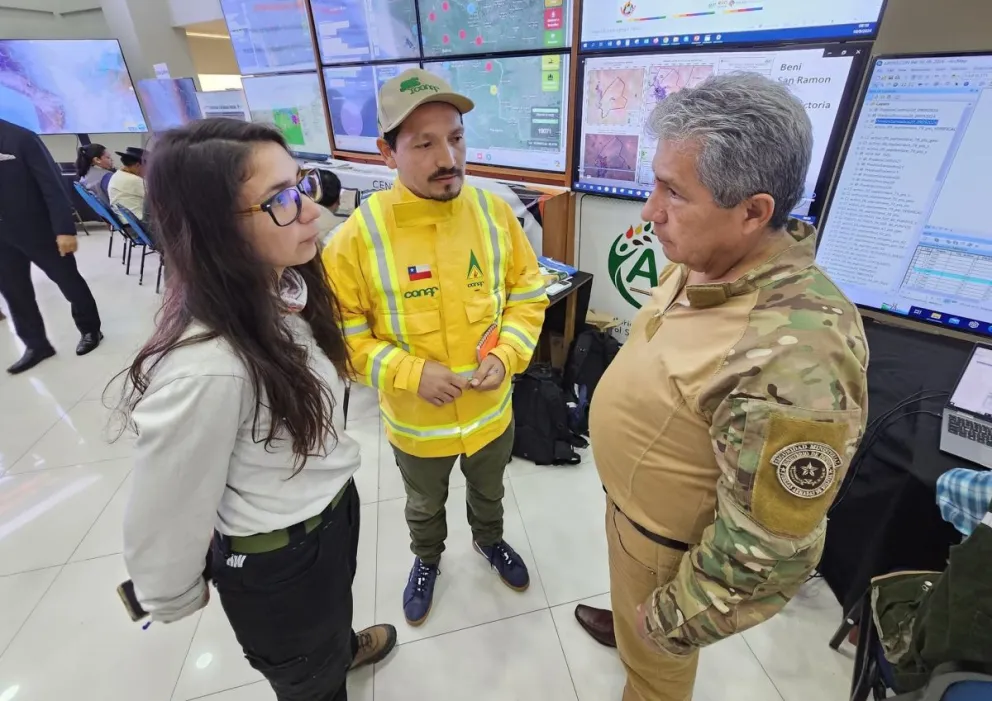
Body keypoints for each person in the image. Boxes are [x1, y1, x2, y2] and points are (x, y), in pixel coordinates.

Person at [573, 73, 869, 701]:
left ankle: (645, 641)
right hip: (635, 520)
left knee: (655, 673)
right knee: (636, 621)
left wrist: (672, 620)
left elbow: (769, 549)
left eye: (673, 192)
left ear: (753, 212)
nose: (650, 212)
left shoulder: (796, 357)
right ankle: (631, 621)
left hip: (671, 552)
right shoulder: (710, 258)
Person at [118, 119, 397, 701]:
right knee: (308, 680)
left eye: (303, 186)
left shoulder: (282, 287)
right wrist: (170, 595)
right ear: (214, 228)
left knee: (330, 621)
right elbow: (164, 509)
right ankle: (320, 670)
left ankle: (337, 649)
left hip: (327, 511)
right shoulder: (208, 367)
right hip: (279, 559)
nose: (311, 213)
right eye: (280, 202)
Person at [322, 69, 549, 626]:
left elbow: (527, 292)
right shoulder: (357, 237)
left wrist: (507, 356)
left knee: (490, 493)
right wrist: (406, 372)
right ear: (387, 152)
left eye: (456, 137)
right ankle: (426, 559)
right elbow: (342, 334)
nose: (448, 157)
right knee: (424, 505)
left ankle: (489, 540)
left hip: (492, 413)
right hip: (418, 425)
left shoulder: (496, 213)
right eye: (424, 143)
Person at [0, 117, 103, 374]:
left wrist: (64, 230)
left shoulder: (21, 138)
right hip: (2, 236)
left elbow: (52, 185)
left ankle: (90, 329)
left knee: (68, 281)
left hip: (38, 230)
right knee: (14, 291)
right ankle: (36, 344)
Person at [107, 146, 148, 225]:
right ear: (138, 166)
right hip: (139, 224)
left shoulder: (119, 174)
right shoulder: (134, 180)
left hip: (127, 221)